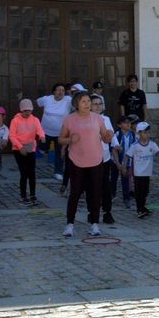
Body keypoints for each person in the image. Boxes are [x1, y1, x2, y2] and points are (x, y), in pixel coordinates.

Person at [58, 91, 114, 238]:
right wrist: (70, 140)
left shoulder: (98, 119)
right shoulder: (69, 119)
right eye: (83, 101)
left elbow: (105, 138)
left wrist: (109, 136)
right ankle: (70, 224)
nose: (87, 104)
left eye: (88, 101)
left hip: (95, 160)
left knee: (95, 193)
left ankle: (94, 224)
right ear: (76, 104)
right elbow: (61, 139)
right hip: (76, 160)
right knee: (75, 193)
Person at [9, 99, 46, 206]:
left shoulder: (35, 119)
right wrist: (20, 147)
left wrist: (42, 136)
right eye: (25, 110)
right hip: (18, 148)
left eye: (29, 110)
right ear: (21, 110)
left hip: (31, 148)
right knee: (24, 173)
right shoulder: (15, 121)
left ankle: (33, 195)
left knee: (32, 173)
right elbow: (12, 136)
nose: (27, 112)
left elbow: (39, 130)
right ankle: (23, 196)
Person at [36, 83, 72, 181]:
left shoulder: (68, 100)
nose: (61, 92)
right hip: (45, 132)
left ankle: (58, 172)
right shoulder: (47, 99)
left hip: (61, 133)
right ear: (54, 91)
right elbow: (37, 103)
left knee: (59, 153)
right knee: (41, 150)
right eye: (58, 90)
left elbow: (77, 102)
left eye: (63, 90)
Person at [91, 94, 117, 225]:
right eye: (95, 104)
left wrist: (113, 140)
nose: (97, 107)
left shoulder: (106, 119)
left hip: (104, 157)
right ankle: (92, 212)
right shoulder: (86, 119)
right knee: (92, 186)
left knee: (105, 185)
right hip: (89, 157)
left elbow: (110, 134)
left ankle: (107, 212)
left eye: (99, 104)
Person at [126, 122, 159, 219]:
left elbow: (158, 152)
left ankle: (143, 207)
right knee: (139, 192)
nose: (147, 134)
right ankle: (139, 209)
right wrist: (124, 167)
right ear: (139, 133)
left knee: (145, 191)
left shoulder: (152, 144)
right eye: (145, 132)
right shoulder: (135, 145)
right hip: (138, 173)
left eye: (148, 132)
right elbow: (127, 155)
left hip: (147, 172)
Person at [111, 116, 135, 210]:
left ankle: (126, 198)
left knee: (125, 179)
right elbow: (113, 149)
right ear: (119, 125)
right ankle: (112, 194)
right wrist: (117, 163)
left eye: (129, 122)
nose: (128, 124)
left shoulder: (132, 135)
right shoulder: (117, 134)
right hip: (116, 161)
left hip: (127, 162)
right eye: (125, 122)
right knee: (113, 178)